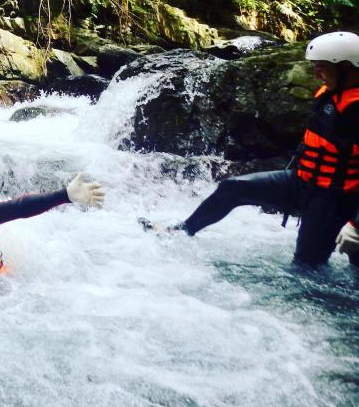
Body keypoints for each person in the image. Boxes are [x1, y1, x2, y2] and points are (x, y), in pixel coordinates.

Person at [141, 31, 359, 267]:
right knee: (232, 188)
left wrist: (356, 224)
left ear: (346, 67)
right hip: (302, 182)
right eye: (315, 67)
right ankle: (183, 230)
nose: (317, 74)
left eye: (322, 67)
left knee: (306, 266)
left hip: (335, 199)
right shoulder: (330, 94)